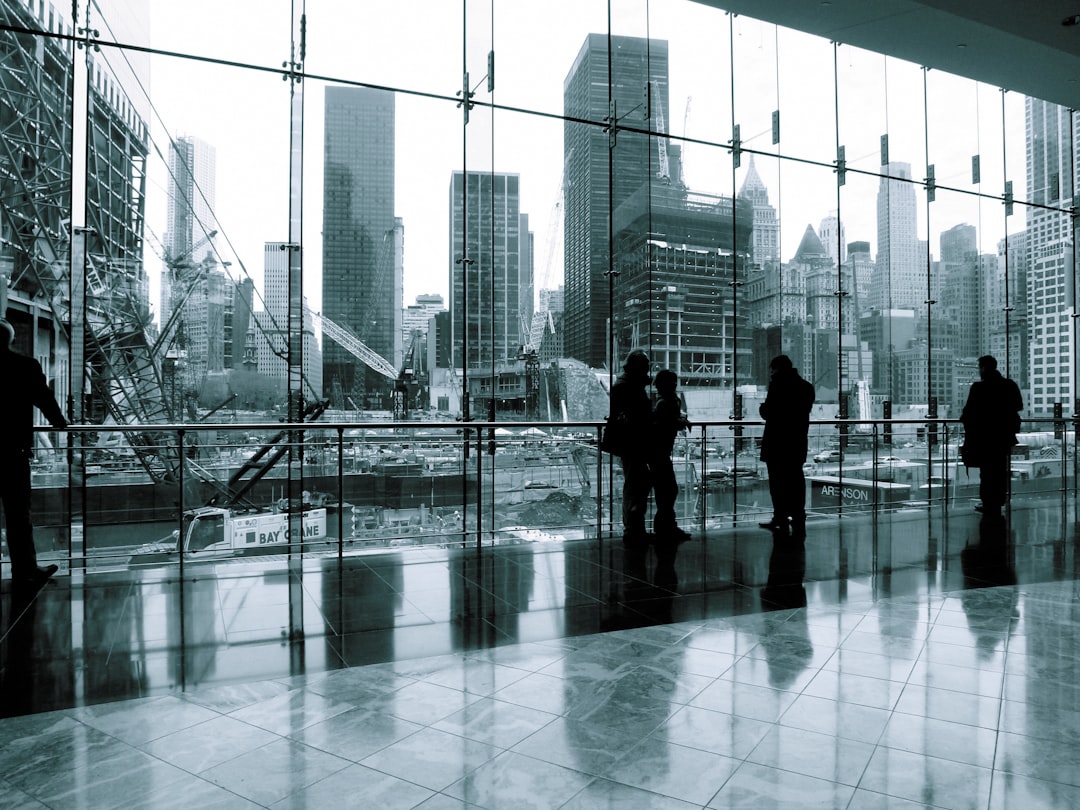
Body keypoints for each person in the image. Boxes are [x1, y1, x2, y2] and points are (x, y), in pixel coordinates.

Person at [0, 318, 68, 585]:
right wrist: (59, 421)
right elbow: (44, 398)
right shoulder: (24, 366)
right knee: (18, 515)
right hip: (12, 452)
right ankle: (25, 570)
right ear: (10, 340)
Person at [758, 355, 816, 538]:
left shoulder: (777, 386)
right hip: (796, 442)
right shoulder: (806, 387)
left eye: (772, 369)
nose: (771, 373)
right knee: (796, 480)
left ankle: (780, 516)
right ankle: (798, 516)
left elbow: (768, 412)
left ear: (777, 369)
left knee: (777, 483)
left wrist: (762, 408)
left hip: (777, 443)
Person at [959, 355, 1023, 516]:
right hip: (1003, 436)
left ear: (983, 368)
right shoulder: (1009, 385)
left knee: (987, 472)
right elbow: (1018, 406)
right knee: (1000, 469)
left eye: (979, 367)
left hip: (984, 437)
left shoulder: (978, 388)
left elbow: (968, 413)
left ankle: (988, 502)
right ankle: (999, 500)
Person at [607, 349, 653, 548]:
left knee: (636, 482)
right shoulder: (630, 387)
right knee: (637, 482)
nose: (648, 369)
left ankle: (634, 527)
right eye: (645, 366)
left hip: (630, 441)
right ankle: (633, 527)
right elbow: (637, 415)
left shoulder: (624, 385)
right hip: (634, 441)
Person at [650, 369, 692, 544]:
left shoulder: (664, 402)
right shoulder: (666, 403)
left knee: (666, 490)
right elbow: (668, 423)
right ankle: (665, 526)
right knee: (668, 490)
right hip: (659, 452)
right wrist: (681, 422)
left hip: (658, 451)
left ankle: (665, 526)